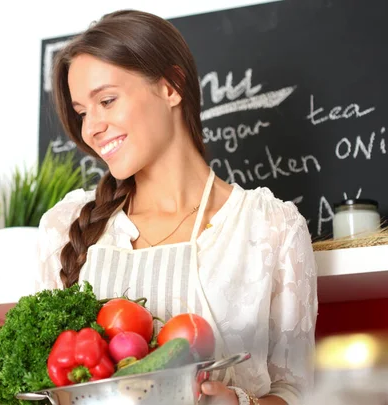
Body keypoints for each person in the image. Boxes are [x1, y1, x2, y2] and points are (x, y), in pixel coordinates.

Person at [36, 9, 318, 405]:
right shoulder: (64, 229)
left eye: (107, 100)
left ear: (171, 86)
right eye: (83, 112)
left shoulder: (270, 227)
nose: (90, 128)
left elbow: (298, 392)